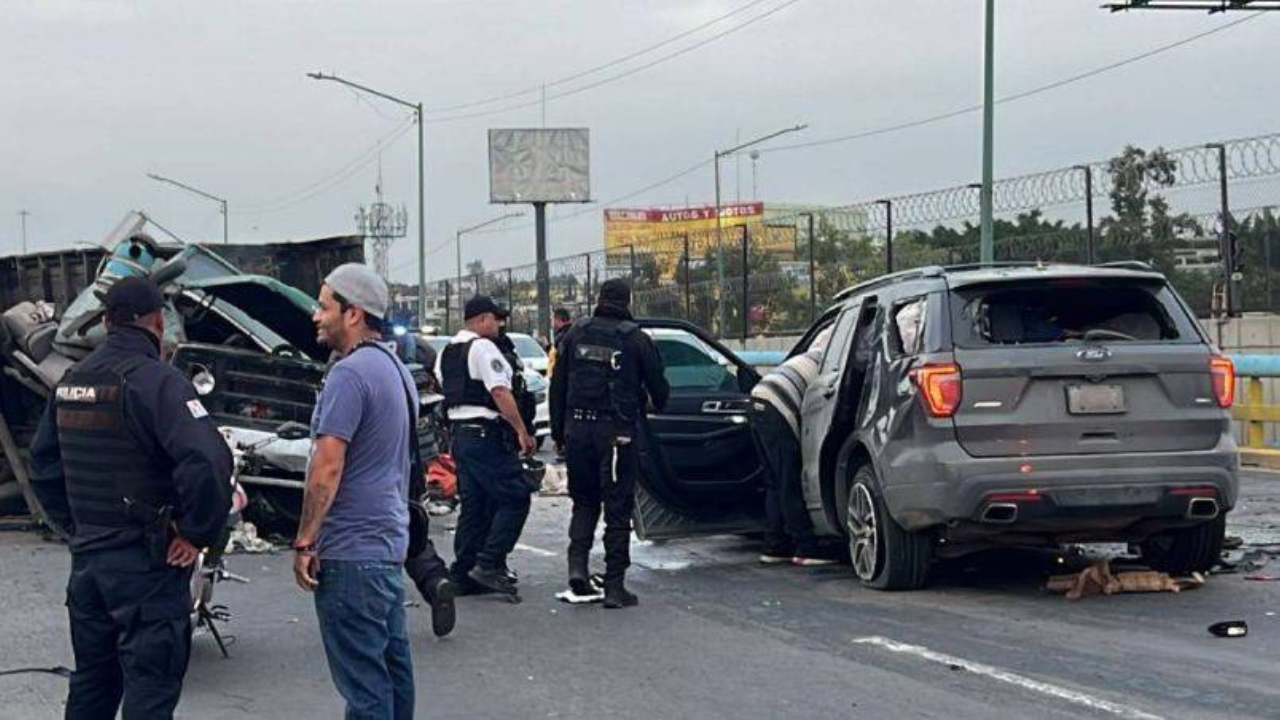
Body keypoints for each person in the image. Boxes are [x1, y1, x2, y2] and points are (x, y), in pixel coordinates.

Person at [28, 275, 233, 720]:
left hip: (89, 566)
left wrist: (77, 528)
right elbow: (210, 462)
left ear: (106, 321)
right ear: (158, 323)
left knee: (92, 686)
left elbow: (43, 468)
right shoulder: (159, 382)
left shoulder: (70, 381)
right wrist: (195, 533)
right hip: (145, 567)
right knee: (150, 691)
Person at [293, 264, 418, 719]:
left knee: (365, 690)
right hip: (386, 547)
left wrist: (306, 539)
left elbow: (327, 467)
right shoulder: (396, 370)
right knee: (391, 675)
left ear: (354, 314)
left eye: (325, 306)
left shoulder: (349, 375)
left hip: (349, 552)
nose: (315, 316)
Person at [550, 279, 669, 608]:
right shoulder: (636, 339)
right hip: (616, 436)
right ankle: (615, 586)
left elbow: (557, 387)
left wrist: (560, 434)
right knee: (617, 509)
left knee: (584, 502)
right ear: (628, 302)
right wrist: (645, 398)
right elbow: (661, 393)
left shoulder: (575, 334)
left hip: (577, 431)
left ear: (599, 299)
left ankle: (577, 568)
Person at [437, 295, 536, 600]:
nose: (500, 323)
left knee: (475, 505)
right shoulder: (482, 347)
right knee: (516, 496)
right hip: (484, 434)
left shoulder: (448, 352)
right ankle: (489, 563)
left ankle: (463, 573)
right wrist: (521, 430)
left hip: (460, 436)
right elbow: (499, 392)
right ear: (481, 319)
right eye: (496, 318)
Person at [749, 325, 842, 566]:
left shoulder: (809, 356)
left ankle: (775, 545)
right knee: (790, 479)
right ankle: (806, 547)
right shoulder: (832, 366)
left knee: (775, 481)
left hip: (758, 399)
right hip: (778, 406)